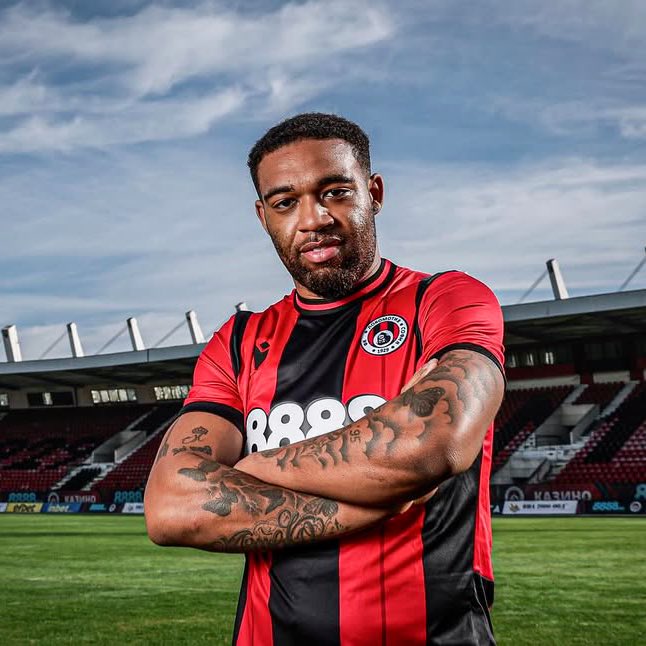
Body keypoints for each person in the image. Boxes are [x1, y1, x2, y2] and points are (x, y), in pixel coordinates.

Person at [144, 113, 505, 645]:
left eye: (335, 192)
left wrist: (252, 467)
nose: (312, 219)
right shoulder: (238, 342)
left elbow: (433, 444)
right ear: (263, 216)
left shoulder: (445, 299)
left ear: (374, 193)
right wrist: (382, 494)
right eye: (285, 202)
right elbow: (171, 508)